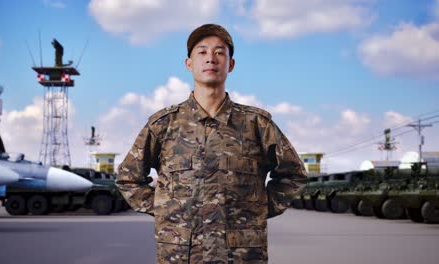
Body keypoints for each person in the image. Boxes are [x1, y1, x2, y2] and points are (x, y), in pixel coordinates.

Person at [116, 23, 307, 264]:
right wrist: (165, 208)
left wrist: (259, 208)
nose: (211, 59)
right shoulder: (163, 125)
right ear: (189, 64)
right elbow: (128, 178)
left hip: (241, 254)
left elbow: (294, 175)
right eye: (202, 52)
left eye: (219, 52)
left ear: (231, 64)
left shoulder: (256, 125)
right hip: (181, 253)